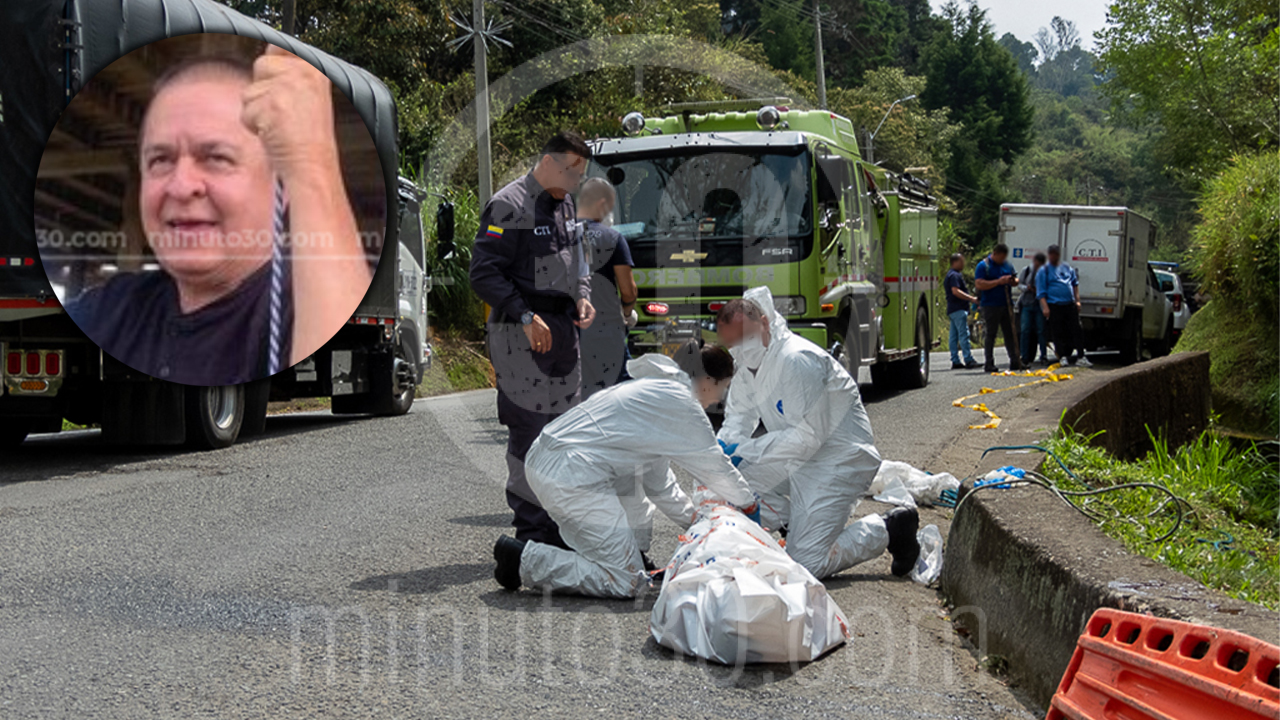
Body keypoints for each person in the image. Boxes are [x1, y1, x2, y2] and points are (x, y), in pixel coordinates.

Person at [66, 46, 372, 385]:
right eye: (160, 160)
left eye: (216, 158)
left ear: (283, 188)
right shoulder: (112, 309)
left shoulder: (301, 309)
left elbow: (336, 363)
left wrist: (311, 164)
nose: (181, 186)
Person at [492, 342, 760, 598]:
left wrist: (699, 522)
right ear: (708, 381)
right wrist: (748, 504)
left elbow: (660, 485)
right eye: (723, 388)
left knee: (634, 486)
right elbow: (715, 466)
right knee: (626, 582)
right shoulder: (682, 403)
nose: (719, 399)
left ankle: (631, 555)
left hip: (558, 461)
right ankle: (523, 560)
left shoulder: (658, 391)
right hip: (571, 472)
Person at [714, 286, 921, 580]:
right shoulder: (750, 365)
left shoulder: (796, 360)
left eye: (743, 340)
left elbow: (807, 439)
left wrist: (742, 450)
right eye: (731, 345)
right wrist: (720, 450)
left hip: (837, 462)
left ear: (764, 323)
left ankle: (890, 528)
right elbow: (738, 417)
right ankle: (797, 523)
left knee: (807, 563)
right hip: (797, 459)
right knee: (729, 486)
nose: (739, 351)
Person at [469, 131, 597, 549]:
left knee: (565, 434)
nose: (576, 183)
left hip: (563, 331)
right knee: (529, 434)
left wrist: (583, 296)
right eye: (572, 173)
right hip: (521, 332)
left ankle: (560, 531)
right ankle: (532, 536)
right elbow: (483, 273)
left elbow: (578, 260)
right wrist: (525, 315)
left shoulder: (566, 203)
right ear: (548, 163)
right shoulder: (509, 204)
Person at [576, 177, 638, 400]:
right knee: (621, 392)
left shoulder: (560, 236)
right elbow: (628, 290)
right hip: (606, 329)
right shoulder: (612, 238)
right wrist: (627, 313)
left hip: (570, 329)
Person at [973, 243, 1026, 373]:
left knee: (1010, 333)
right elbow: (979, 284)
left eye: (1004, 258)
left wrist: (1012, 281)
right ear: (995, 253)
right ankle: (989, 362)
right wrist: (998, 282)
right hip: (990, 305)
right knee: (991, 334)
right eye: (1000, 257)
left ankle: (1015, 360)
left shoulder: (1007, 265)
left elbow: (1016, 280)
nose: (1002, 260)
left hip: (1006, 304)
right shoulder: (983, 266)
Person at [1037, 244, 1092, 367]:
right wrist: (1045, 307)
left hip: (1069, 304)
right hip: (1054, 305)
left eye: (1056, 253)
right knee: (1058, 332)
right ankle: (1062, 356)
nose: (1054, 256)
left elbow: (1074, 284)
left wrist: (1077, 301)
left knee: (1077, 330)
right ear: (1048, 255)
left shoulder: (1066, 267)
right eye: (1051, 253)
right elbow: (1040, 292)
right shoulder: (1044, 270)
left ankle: (1081, 356)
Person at [944, 253, 980, 370]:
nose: (963, 264)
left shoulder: (950, 274)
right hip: (958, 308)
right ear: (955, 262)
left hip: (952, 309)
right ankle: (968, 359)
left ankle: (955, 360)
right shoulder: (954, 275)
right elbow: (955, 291)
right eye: (961, 261)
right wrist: (971, 299)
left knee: (953, 336)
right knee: (964, 334)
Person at [1017, 252, 1051, 366]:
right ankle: (1024, 356)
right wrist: (1027, 288)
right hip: (1027, 304)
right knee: (1025, 330)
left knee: (1041, 331)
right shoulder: (1026, 270)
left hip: (1039, 304)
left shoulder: (1045, 272)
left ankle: (1043, 355)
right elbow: (1019, 284)